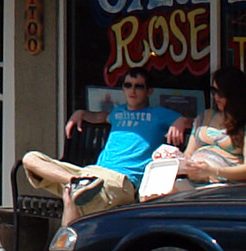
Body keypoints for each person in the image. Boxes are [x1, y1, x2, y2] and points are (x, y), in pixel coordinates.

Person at [19, 67, 191, 226]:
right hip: (91, 174)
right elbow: (99, 117)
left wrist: (179, 122)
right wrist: (80, 113)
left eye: (139, 86)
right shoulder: (118, 113)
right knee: (30, 158)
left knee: (73, 197)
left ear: (149, 91)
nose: (132, 90)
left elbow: (193, 121)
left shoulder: (159, 114)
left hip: (121, 180)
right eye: (128, 85)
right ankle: (76, 182)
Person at [176, 64, 246, 185]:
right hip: (194, 181)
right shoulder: (205, 116)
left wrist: (213, 171)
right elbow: (188, 153)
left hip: (226, 187)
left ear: (235, 94)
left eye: (222, 93)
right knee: (156, 193)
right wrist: (179, 160)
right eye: (214, 91)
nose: (216, 97)